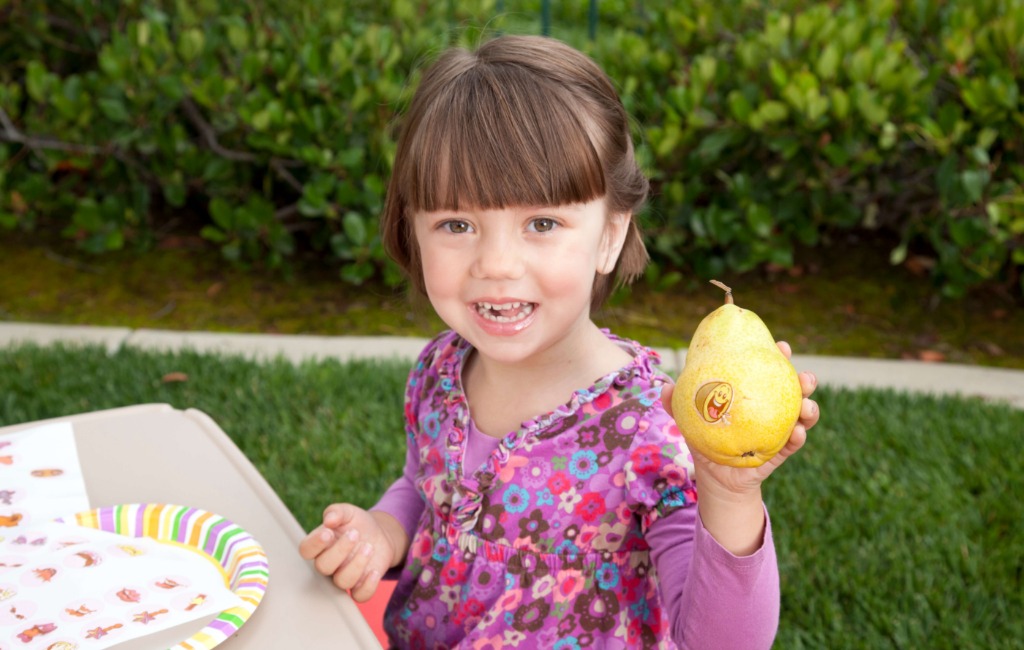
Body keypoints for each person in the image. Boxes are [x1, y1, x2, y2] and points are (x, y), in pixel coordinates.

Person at [299, 34, 819, 649]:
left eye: (541, 223)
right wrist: (384, 531)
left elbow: (724, 644)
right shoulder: (440, 368)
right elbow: (423, 484)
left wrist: (729, 494)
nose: (496, 263)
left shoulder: (655, 426)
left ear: (610, 235)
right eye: (456, 224)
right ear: (411, 231)